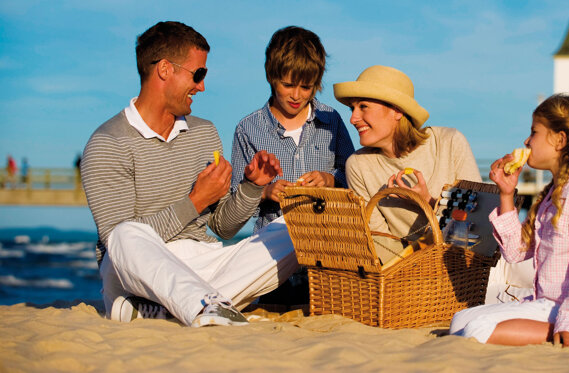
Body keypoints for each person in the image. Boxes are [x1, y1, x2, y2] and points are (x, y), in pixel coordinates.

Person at [81, 21, 298, 327]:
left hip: (201, 261)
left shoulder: (204, 133)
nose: (202, 86)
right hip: (138, 272)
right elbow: (119, 242)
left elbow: (223, 227)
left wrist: (252, 186)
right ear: (165, 69)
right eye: (198, 74)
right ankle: (205, 305)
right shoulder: (107, 143)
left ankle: (171, 310)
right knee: (124, 233)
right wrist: (195, 202)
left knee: (296, 227)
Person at [449, 95, 569, 347]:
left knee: (477, 329)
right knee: (460, 320)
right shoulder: (553, 195)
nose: (527, 141)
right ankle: (552, 328)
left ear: (560, 140)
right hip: (548, 305)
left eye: (534, 132)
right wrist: (506, 194)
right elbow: (516, 253)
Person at [333, 65, 482, 263]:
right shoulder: (358, 165)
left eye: (363, 107)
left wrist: (428, 201)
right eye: (352, 109)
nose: (353, 118)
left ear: (396, 110)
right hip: (404, 280)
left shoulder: (449, 142)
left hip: (457, 270)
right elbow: (380, 244)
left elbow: (478, 222)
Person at [230, 26, 354, 231]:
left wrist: (330, 179)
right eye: (288, 85)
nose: (296, 96)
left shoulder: (332, 122)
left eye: (306, 87)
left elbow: (354, 176)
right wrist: (265, 192)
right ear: (271, 76)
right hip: (271, 243)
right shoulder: (248, 129)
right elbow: (235, 200)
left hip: (328, 239)